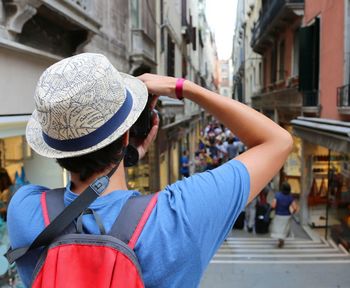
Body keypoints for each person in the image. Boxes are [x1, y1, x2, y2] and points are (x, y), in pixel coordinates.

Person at [7, 53, 292, 287]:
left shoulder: (24, 210)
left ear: (58, 151)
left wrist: (122, 154)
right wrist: (183, 87)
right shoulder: (179, 216)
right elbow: (278, 141)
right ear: (126, 137)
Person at [270, 182, 298, 248]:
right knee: (284, 229)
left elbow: (273, 205)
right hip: (286, 215)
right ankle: (282, 240)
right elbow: (295, 207)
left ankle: (280, 240)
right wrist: (292, 212)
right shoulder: (290, 197)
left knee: (278, 229)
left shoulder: (277, 195)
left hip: (278, 215)